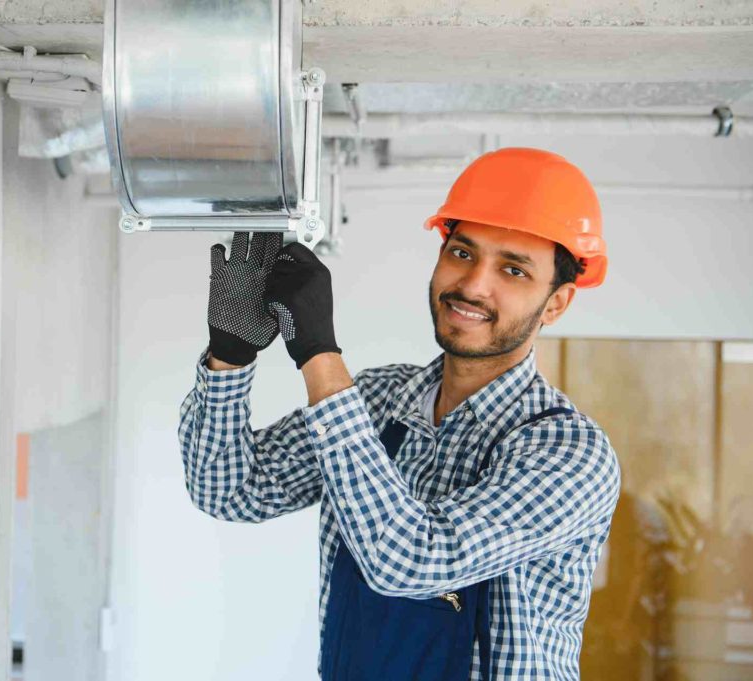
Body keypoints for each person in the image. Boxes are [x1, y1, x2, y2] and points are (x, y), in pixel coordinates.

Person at [178, 147, 622, 680]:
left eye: (513, 269)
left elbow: (409, 559)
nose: (474, 285)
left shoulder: (569, 454)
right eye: (462, 253)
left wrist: (319, 354)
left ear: (556, 303)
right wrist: (231, 354)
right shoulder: (377, 398)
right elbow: (229, 490)